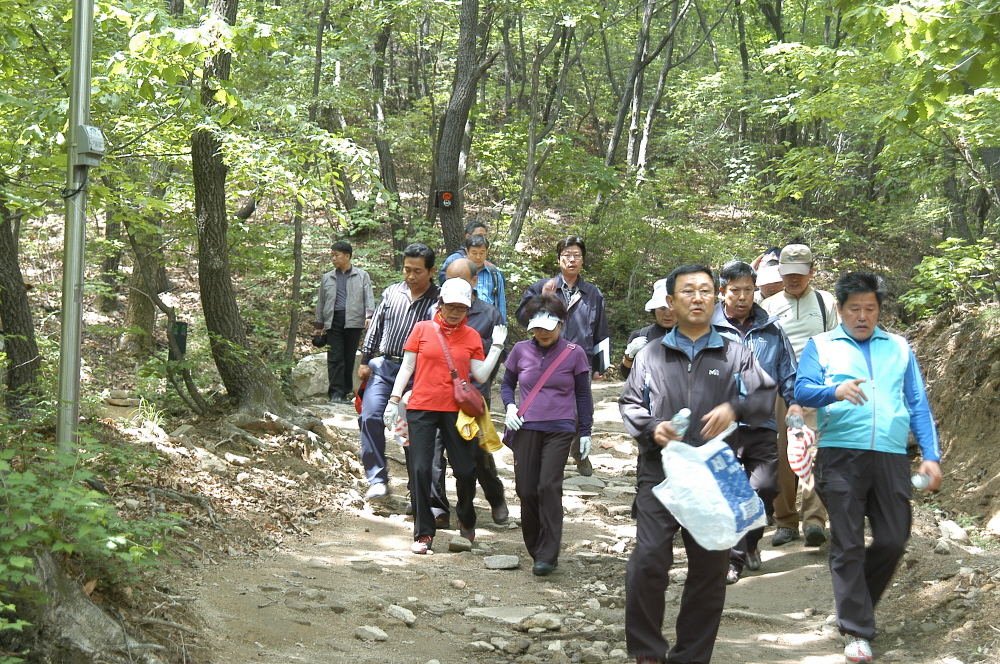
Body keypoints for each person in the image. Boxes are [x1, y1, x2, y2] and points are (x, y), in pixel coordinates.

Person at [619, 264, 776, 664]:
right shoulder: (651, 353)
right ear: (671, 301)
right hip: (661, 470)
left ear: (716, 298)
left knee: (710, 569)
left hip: (717, 470)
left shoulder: (735, 352)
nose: (697, 298)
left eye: (705, 290)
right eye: (687, 291)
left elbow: (763, 396)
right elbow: (630, 403)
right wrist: (653, 428)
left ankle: (691, 656)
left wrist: (734, 407)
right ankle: (647, 652)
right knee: (647, 560)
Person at [795, 272, 941, 664]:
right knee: (848, 543)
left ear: (879, 310)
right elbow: (801, 389)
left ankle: (856, 605)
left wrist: (931, 455)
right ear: (840, 309)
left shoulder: (898, 347)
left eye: (870, 309)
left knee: (893, 538)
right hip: (840, 455)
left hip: (891, 456)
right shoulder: (821, 345)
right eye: (854, 308)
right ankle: (857, 631)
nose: (863, 316)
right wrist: (835, 390)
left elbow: (917, 402)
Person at [383, 278, 507, 553]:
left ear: (468, 309)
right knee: (421, 469)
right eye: (450, 306)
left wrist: (497, 347)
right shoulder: (422, 329)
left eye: (461, 308)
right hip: (422, 407)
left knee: (465, 469)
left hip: (458, 411)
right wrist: (394, 400)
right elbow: (407, 367)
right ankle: (423, 533)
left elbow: (480, 375)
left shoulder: (472, 336)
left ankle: (466, 517)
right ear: (440, 304)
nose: (455, 312)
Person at [711, 260, 800, 585]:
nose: (742, 296)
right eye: (735, 290)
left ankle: (750, 542)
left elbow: (788, 372)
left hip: (763, 423)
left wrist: (794, 404)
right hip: (720, 426)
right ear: (723, 292)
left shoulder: (771, 329)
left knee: (764, 487)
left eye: (748, 290)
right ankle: (734, 560)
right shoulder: (707, 327)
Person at [501, 294, 594, 576]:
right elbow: (507, 383)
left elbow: (583, 395)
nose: (542, 333)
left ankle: (548, 554)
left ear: (561, 324)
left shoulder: (574, 353)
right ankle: (536, 547)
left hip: (560, 427)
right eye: (537, 328)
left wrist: (586, 431)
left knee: (548, 486)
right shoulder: (520, 350)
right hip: (526, 426)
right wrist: (510, 406)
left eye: (548, 328)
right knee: (526, 489)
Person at [761, 243, 839, 547]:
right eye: (788, 272)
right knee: (782, 454)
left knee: (814, 451)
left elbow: (837, 342)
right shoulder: (767, 306)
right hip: (780, 387)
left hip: (815, 385)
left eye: (800, 273)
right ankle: (785, 521)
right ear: (780, 272)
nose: (794, 279)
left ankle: (814, 521)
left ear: (812, 272)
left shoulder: (825, 302)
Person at [515, 236, 610, 476]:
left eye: (577, 255)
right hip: (544, 357)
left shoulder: (592, 293)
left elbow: (601, 330)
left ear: (583, 260)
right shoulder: (543, 286)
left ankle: (579, 453)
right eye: (567, 255)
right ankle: (544, 451)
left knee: (580, 409)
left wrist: (601, 364)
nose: (572, 260)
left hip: (580, 359)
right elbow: (521, 317)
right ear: (559, 259)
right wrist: (541, 297)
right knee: (543, 404)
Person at [429, 258, 510, 527]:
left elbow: (494, 359)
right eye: (449, 280)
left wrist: (476, 390)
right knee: (434, 452)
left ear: (475, 282)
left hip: (471, 397)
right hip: (437, 395)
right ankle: (438, 508)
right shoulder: (434, 311)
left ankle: (495, 498)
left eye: (462, 280)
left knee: (476, 452)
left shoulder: (489, 315)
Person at [357, 243, 440, 503]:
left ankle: (418, 491)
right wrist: (365, 360)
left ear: (431, 271)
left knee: (414, 430)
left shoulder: (438, 301)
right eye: (406, 270)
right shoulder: (392, 292)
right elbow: (375, 327)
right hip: (385, 368)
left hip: (420, 374)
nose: (411, 276)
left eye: (417, 271)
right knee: (370, 416)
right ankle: (377, 480)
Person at [313, 241, 375, 403]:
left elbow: (368, 297)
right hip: (333, 320)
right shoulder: (327, 278)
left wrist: (369, 316)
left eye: (337, 255)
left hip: (354, 321)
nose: (333, 258)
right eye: (332, 255)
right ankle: (335, 393)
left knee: (348, 357)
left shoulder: (362, 276)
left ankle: (346, 391)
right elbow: (321, 302)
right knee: (335, 356)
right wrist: (318, 325)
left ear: (347, 256)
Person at [620, 278, 675, 381]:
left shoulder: (690, 336)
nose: (667, 314)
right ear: (654, 310)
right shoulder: (641, 335)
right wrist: (629, 355)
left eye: (672, 308)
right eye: (662, 308)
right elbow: (627, 375)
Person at [465, 234, 507, 315]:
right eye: (474, 253)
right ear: (467, 252)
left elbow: (501, 304)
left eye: (482, 253)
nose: (478, 257)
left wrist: (501, 321)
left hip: (488, 319)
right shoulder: (460, 273)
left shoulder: (495, 275)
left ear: (486, 252)